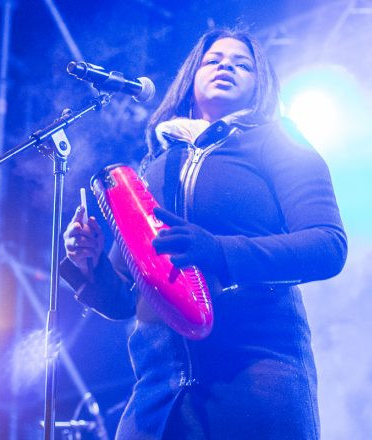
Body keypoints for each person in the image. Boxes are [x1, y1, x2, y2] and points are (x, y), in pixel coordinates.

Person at [60, 27, 347, 440]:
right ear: (191, 77)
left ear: (259, 83)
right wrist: (90, 266)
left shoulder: (278, 141)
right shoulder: (154, 166)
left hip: (256, 372)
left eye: (241, 63)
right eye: (213, 60)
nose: (226, 65)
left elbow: (328, 245)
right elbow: (127, 299)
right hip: (159, 389)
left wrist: (219, 252)